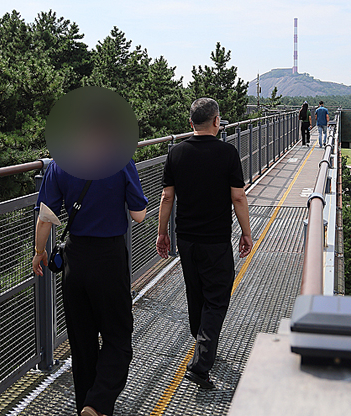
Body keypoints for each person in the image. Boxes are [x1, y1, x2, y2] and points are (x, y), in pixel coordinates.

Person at [32, 161, 148, 416]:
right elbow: (139, 215)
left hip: (75, 259)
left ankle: (86, 406)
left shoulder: (59, 164)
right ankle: (96, 403)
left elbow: (44, 218)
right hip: (109, 258)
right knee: (118, 337)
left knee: (82, 343)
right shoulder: (121, 161)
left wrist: (39, 252)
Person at [156, 97, 254, 390]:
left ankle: (201, 342)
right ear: (216, 121)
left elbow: (166, 197)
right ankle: (200, 365)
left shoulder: (176, 153)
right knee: (217, 297)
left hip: (186, 238)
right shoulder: (227, 153)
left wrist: (162, 233)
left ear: (190, 123)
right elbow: (238, 197)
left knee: (195, 290)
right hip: (215, 240)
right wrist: (246, 233)